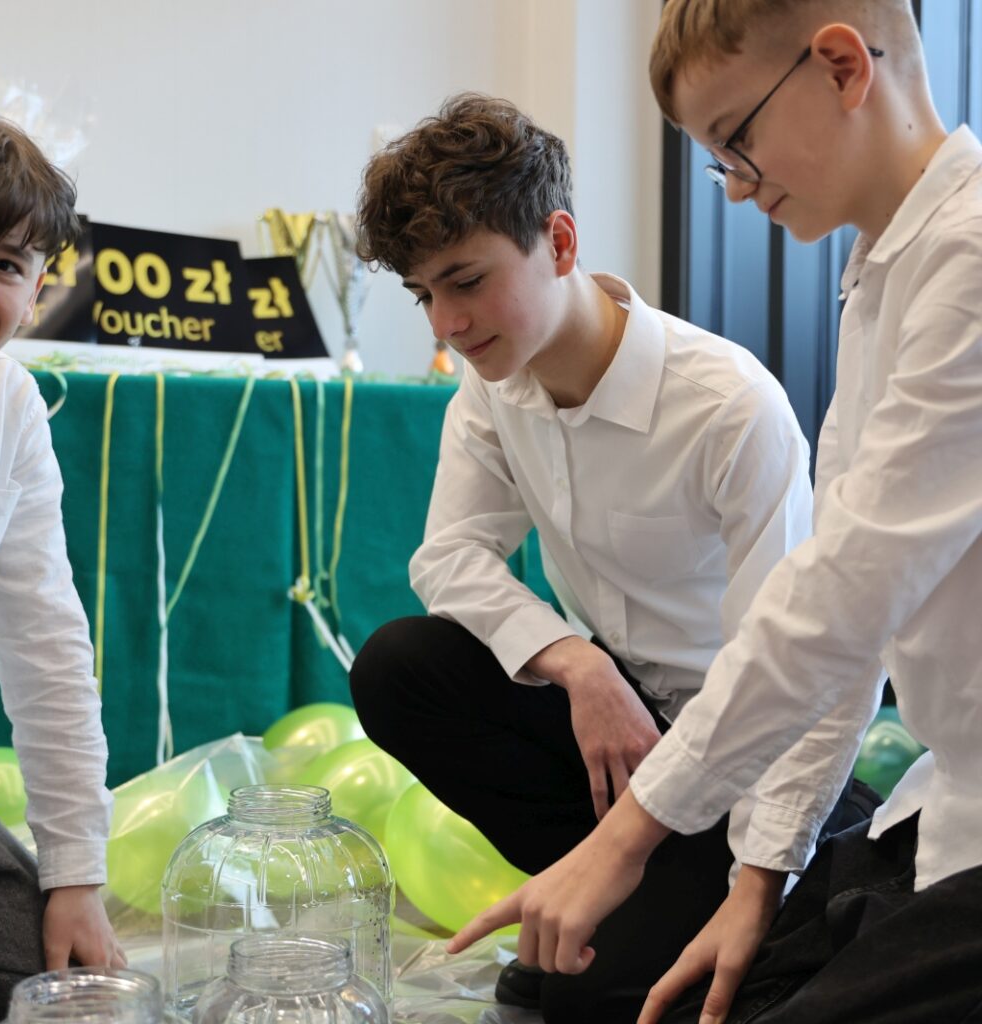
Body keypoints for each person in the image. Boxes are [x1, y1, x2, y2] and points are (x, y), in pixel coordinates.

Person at [448, 3, 982, 1023]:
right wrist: (759, 878)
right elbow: (846, 609)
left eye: (737, 139)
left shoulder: (966, 261)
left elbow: (836, 603)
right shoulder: (883, 273)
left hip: (843, 774)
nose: (735, 185)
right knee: (720, 984)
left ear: (841, 66)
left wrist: (622, 842)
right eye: (715, 160)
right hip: (933, 795)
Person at [348, 93, 876, 1024]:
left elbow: (809, 673)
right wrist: (578, 665)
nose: (447, 324)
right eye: (424, 294)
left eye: (466, 281)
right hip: (628, 731)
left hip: (748, 748)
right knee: (401, 668)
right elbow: (449, 558)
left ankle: (731, 902)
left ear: (558, 242)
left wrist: (758, 875)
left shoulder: (727, 405)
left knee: (597, 1004)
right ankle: (616, 899)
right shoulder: (494, 384)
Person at [0, 114, 123, 1024]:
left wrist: (75, 870)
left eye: (6, 265)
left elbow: (45, 646)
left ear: (39, 284)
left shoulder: (8, 403)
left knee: (57, 990)